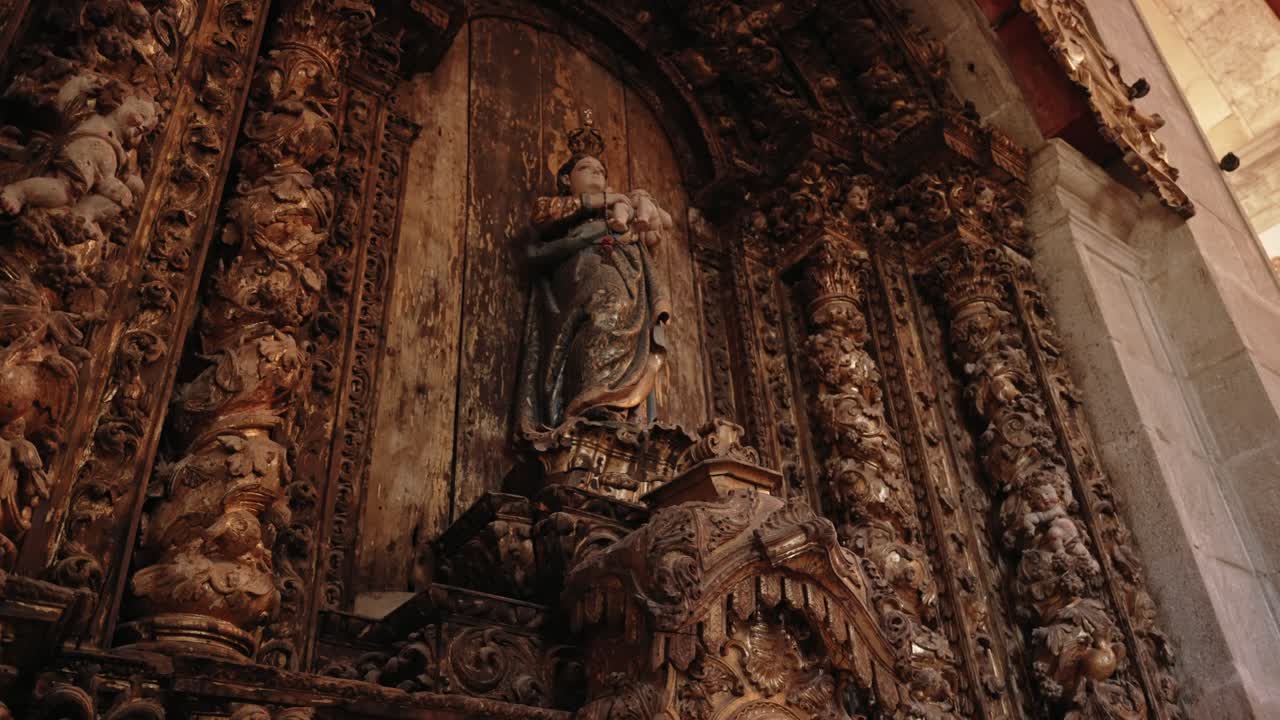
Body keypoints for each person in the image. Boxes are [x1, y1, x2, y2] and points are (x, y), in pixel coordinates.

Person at [515, 129, 674, 438]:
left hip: (626, 275)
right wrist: (603, 201)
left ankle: (620, 407)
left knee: (626, 316)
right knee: (605, 310)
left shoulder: (618, 208)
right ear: (566, 179)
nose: (597, 174)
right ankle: (591, 400)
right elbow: (542, 217)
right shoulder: (564, 206)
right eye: (587, 169)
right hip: (579, 274)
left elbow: (653, 232)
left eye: (601, 170)